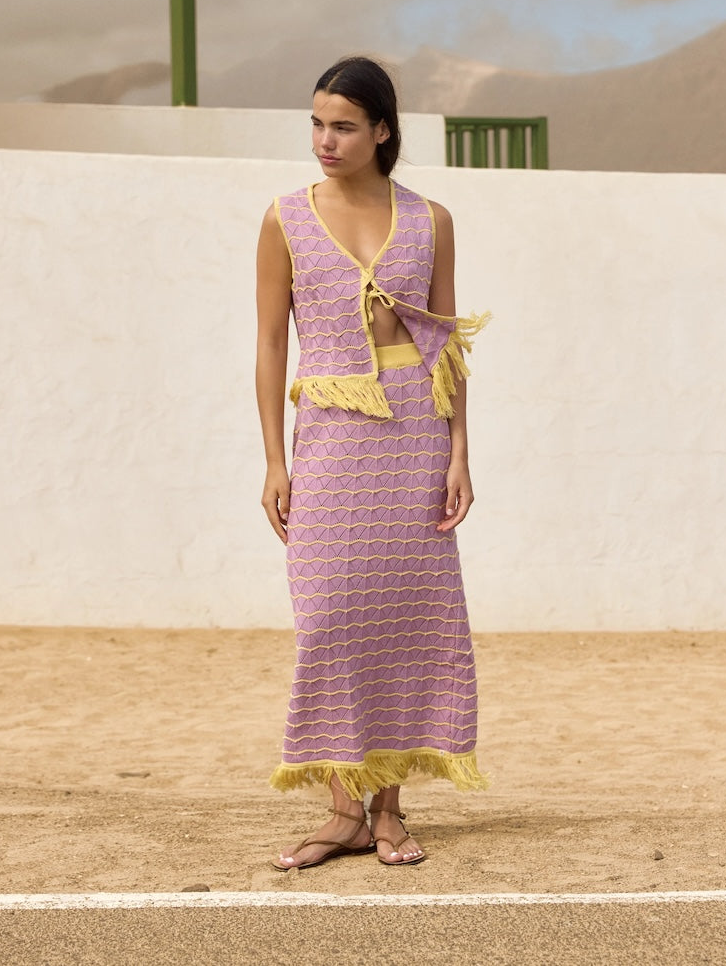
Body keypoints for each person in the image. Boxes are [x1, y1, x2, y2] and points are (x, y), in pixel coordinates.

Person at [255, 56, 489, 870]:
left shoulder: (431, 219)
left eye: (344, 125)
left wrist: (460, 449)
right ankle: (340, 809)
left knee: (406, 622)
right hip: (328, 436)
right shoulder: (285, 217)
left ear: (383, 130)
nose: (325, 140)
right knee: (329, 620)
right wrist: (274, 462)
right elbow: (272, 340)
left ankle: (385, 810)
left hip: (415, 437)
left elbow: (446, 341)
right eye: (317, 123)